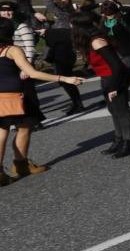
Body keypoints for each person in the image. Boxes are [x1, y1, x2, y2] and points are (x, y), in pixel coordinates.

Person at [0, 19, 82, 182]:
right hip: (15, 96)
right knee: (23, 127)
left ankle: (11, 168)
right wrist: (64, 78)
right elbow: (33, 73)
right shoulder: (12, 50)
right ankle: (21, 164)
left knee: (6, 131)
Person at [71, 14, 130, 158]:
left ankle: (128, 143)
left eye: (73, 27)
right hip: (106, 78)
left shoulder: (97, 42)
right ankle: (118, 140)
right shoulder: (92, 41)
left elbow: (117, 66)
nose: (71, 30)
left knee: (121, 112)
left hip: (114, 78)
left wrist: (114, 87)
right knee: (113, 111)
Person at [44, 0, 83, 115]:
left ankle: (77, 104)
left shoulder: (66, 15)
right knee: (64, 78)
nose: (64, 1)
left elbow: (53, 9)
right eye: (62, 0)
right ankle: (77, 103)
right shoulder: (65, 16)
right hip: (62, 50)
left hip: (63, 51)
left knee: (64, 77)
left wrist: (49, 0)